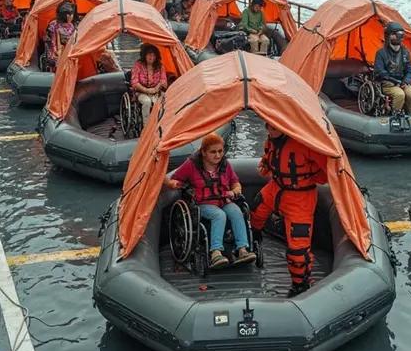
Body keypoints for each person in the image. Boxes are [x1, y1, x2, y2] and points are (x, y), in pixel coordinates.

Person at [251, 122, 328, 297]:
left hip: (300, 197)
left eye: (274, 127)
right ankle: (255, 242)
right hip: (275, 188)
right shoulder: (272, 140)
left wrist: (306, 178)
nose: (270, 130)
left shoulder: (306, 143)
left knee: (298, 251)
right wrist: (265, 165)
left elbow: (327, 172)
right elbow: (269, 158)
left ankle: (300, 285)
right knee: (255, 211)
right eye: (268, 127)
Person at [165, 133, 257, 269]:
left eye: (220, 151)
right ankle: (215, 253)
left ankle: (242, 249)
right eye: (213, 152)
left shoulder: (225, 165)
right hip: (203, 204)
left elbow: (236, 184)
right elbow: (175, 180)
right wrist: (169, 182)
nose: (218, 155)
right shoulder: (191, 165)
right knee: (219, 215)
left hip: (223, 200)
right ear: (203, 152)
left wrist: (234, 192)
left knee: (237, 211)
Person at [374, 22, 411, 114]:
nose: (398, 37)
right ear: (388, 36)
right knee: (399, 94)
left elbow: (410, 70)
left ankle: (408, 115)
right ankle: (394, 116)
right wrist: (394, 81)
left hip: (403, 82)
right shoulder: (381, 53)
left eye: (400, 34)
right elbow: (380, 71)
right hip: (388, 83)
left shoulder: (405, 52)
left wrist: (406, 81)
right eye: (395, 34)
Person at [131, 43, 167, 125]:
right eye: (150, 55)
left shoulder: (160, 66)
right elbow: (135, 82)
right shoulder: (138, 66)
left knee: (159, 101)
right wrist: (147, 90)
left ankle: (160, 123)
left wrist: (155, 89)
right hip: (141, 92)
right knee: (147, 102)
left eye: (154, 55)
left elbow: (163, 81)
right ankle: (146, 125)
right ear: (145, 55)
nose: (152, 58)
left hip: (156, 91)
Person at [44, 1, 77, 71]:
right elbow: (50, 42)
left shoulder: (72, 26)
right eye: (69, 14)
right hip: (56, 53)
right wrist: (56, 53)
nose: (71, 16)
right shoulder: (53, 26)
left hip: (70, 52)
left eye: (71, 14)